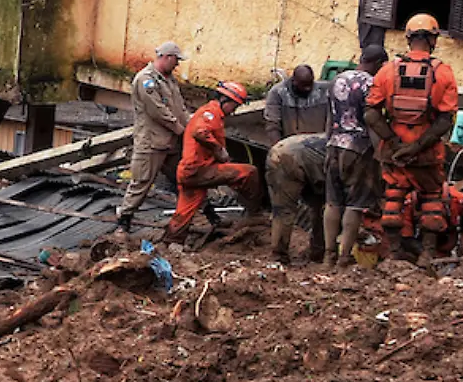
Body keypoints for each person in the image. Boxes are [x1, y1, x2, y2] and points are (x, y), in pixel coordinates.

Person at [365, 14, 460, 262]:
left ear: (408, 39)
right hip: (427, 153)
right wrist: (417, 147)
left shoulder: (387, 71)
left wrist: (397, 144)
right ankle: (427, 255)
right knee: (432, 201)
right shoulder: (444, 73)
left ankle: (394, 255)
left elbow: (371, 114)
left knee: (393, 199)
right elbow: (444, 120)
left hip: (394, 151)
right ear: (433, 40)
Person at [165, 81, 264, 243]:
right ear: (226, 101)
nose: (234, 110)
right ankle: (254, 214)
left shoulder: (212, 113)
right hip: (199, 170)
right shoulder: (210, 113)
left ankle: (171, 240)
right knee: (249, 172)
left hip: (190, 172)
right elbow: (200, 132)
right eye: (235, 105)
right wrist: (218, 150)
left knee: (184, 213)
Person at [324, 45, 389, 266]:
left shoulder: (337, 80)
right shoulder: (370, 85)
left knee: (332, 202)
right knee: (355, 205)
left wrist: (327, 142)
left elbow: (329, 116)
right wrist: (380, 155)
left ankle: (328, 254)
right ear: (379, 63)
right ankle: (344, 258)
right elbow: (371, 121)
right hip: (358, 149)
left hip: (334, 145)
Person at [117, 42, 191, 234]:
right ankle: (124, 220)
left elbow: (179, 107)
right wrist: (180, 129)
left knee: (185, 177)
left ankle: (204, 213)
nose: (177, 65)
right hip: (152, 143)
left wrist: (190, 125)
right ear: (166, 57)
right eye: (175, 60)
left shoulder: (169, 80)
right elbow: (157, 111)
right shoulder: (146, 80)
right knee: (142, 182)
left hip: (170, 143)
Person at [266, 133, 329, 265]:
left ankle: (318, 252)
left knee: (319, 207)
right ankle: (279, 256)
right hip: (288, 158)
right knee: (284, 211)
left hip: (289, 153)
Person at [263, 64, 330, 144]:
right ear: (294, 81)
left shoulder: (324, 91)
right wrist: (278, 147)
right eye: (303, 85)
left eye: (310, 84)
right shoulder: (278, 93)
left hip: (319, 145)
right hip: (291, 147)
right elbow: (272, 125)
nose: (307, 88)